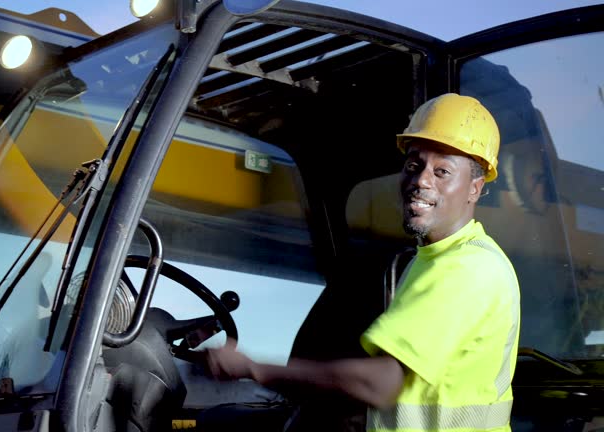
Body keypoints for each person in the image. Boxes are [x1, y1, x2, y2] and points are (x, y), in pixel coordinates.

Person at [205, 93, 521, 431]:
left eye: (442, 171)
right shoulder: (427, 260)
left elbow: (381, 383)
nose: (421, 181)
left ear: (474, 188)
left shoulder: (467, 268)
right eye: (414, 165)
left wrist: (255, 369)